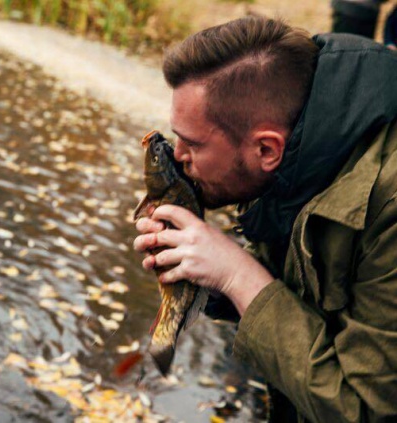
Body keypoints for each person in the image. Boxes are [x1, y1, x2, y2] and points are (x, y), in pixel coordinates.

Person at [133, 17, 397, 422]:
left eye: (194, 144)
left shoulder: (390, 207)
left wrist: (238, 275)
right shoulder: (311, 146)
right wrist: (207, 275)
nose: (179, 155)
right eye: (176, 136)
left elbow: (366, 410)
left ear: (267, 149)